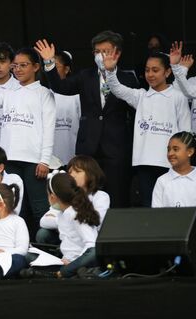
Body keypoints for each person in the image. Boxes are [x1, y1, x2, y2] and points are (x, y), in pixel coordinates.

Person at [35, 31, 140, 208]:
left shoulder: (128, 78)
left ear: (117, 53)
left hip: (117, 147)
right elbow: (61, 87)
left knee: (117, 197)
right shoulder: (86, 76)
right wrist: (49, 63)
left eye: (105, 51)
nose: (101, 55)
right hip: (89, 147)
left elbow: (137, 113)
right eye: (97, 52)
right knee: (84, 196)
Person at [0, 48, 55, 227]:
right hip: (10, 159)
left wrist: (44, 160)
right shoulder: (9, 92)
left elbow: (49, 129)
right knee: (15, 206)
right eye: (15, 66)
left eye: (23, 65)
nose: (18, 69)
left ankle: (44, 246)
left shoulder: (44, 93)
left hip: (34, 161)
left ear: (36, 67)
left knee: (39, 207)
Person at [103, 50, 190, 206]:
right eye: (147, 70)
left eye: (155, 70)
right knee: (147, 204)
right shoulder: (140, 96)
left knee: (171, 203)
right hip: (144, 162)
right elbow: (116, 88)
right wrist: (110, 71)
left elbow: (185, 131)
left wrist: (182, 159)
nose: (150, 74)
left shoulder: (178, 96)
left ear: (168, 71)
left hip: (169, 162)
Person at [37, 155, 109, 244]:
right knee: (43, 233)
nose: (73, 175)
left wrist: (64, 220)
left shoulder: (100, 196)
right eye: (70, 172)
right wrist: (68, 221)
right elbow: (44, 221)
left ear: (91, 174)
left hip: (89, 239)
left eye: (78, 171)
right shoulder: (65, 194)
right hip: (66, 237)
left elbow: (97, 222)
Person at [46, 171, 100, 278]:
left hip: (79, 265)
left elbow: (92, 247)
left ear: (52, 197)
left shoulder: (75, 213)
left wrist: (72, 265)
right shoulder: (62, 214)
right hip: (66, 260)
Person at [52, 51, 81, 164]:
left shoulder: (76, 96)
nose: (51, 70)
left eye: (56, 66)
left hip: (72, 157)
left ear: (67, 69)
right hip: (48, 160)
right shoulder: (45, 94)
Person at [152, 131, 196, 207]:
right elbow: (157, 214)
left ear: (190, 151)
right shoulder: (162, 181)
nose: (170, 153)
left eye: (175, 149)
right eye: (168, 149)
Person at [169, 41, 196, 130]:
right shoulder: (192, 80)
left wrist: (176, 68)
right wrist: (183, 69)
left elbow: (190, 92)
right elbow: (177, 93)